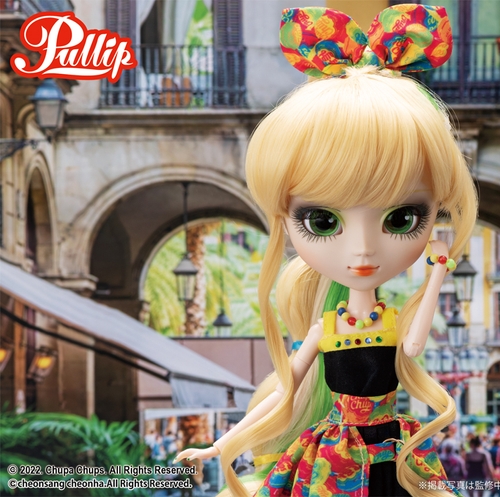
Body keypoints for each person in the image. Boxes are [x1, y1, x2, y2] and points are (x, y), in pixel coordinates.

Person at [173, 4, 477, 497]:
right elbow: (284, 395)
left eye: (401, 218)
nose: (362, 250)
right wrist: (221, 446)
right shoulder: (324, 331)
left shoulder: (392, 325)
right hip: (334, 460)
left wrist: (438, 272)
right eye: (322, 221)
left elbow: (414, 347)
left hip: (390, 452)